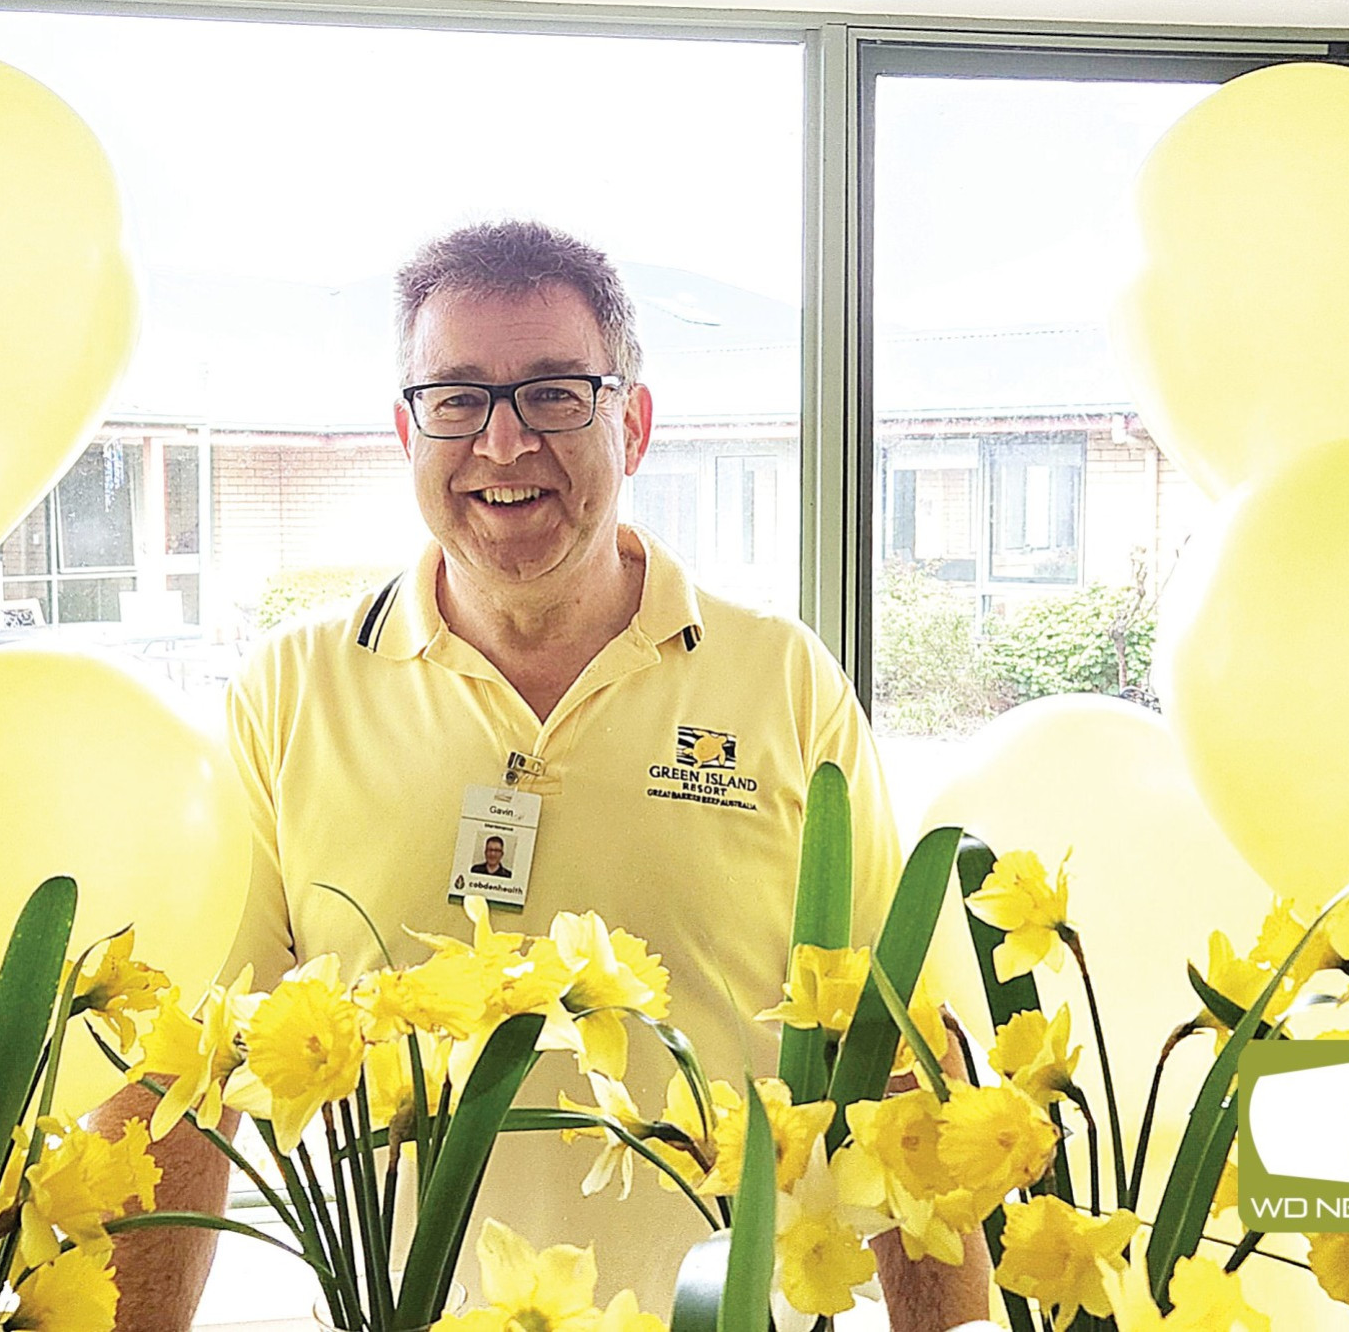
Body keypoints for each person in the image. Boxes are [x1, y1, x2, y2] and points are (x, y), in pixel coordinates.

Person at [98, 221, 988, 1332]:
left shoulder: (781, 683)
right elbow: (183, 1084)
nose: (503, 445)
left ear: (634, 422)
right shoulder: (290, 695)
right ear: (405, 429)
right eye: (457, 398)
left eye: (554, 393)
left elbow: (901, 1056)